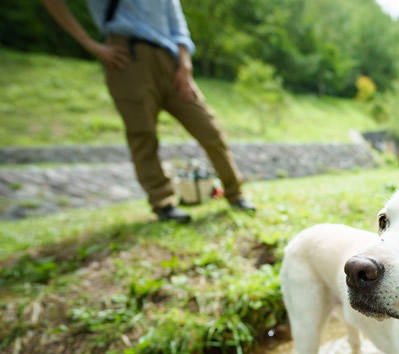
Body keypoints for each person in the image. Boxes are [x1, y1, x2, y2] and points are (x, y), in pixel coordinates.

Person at [42, 0, 256, 223]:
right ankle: (163, 203)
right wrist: (90, 44)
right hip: (127, 57)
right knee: (143, 134)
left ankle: (236, 194)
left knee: (208, 127)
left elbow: (176, 18)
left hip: (171, 59)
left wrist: (185, 64)